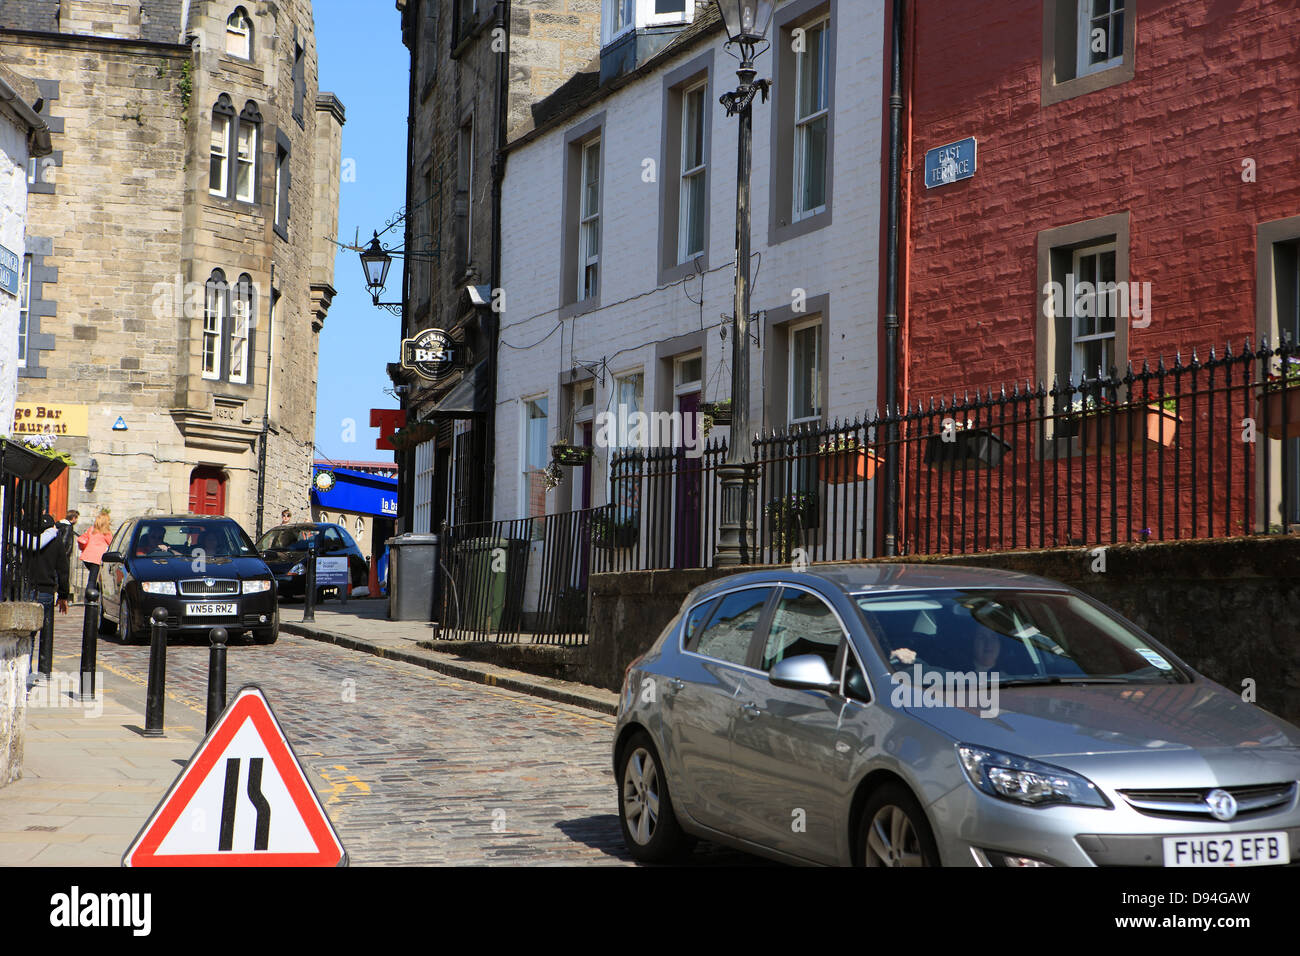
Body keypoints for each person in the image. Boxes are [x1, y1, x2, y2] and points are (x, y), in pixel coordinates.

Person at [28, 512, 70, 673]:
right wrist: (63, 595)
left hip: (29, 587)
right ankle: (41, 671)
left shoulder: (29, 539)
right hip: (46, 591)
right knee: (43, 632)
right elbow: (63, 570)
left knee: (29, 634)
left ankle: (28, 672)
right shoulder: (56, 541)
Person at [77, 510, 113, 591]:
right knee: (92, 580)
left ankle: (93, 593)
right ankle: (90, 597)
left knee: (94, 577)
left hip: (87, 557)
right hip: (97, 559)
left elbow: (84, 539)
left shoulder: (91, 529)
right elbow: (111, 544)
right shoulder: (106, 532)